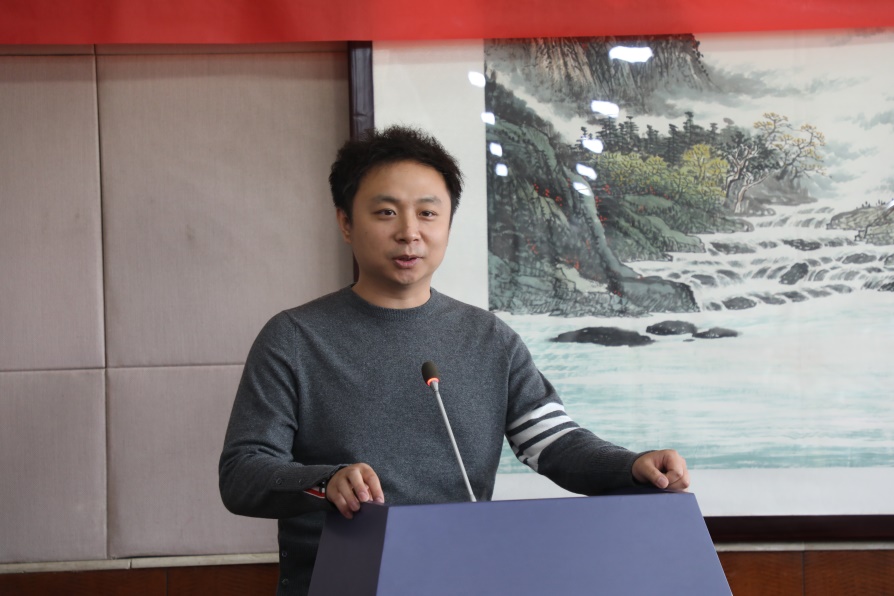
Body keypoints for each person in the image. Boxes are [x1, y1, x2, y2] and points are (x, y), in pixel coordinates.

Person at [219, 126, 690, 596]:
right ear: (345, 222)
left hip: (460, 577)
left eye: (428, 213)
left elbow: (553, 443)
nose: (409, 232)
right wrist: (326, 482)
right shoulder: (294, 338)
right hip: (338, 584)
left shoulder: (489, 338)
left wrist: (631, 466)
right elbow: (242, 472)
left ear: (447, 224)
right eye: (386, 212)